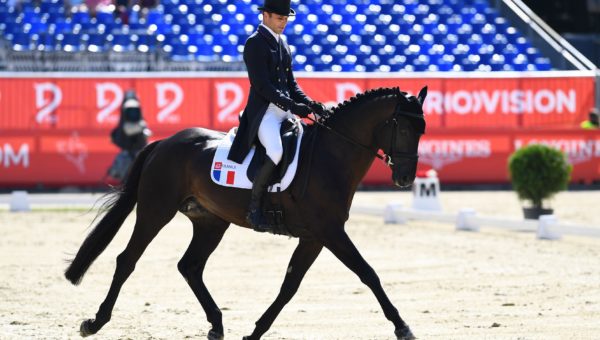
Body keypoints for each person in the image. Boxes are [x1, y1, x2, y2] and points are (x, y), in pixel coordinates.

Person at [227, 0, 329, 232]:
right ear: (266, 16)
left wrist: (309, 103)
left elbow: (291, 84)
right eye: (279, 18)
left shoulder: (283, 43)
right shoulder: (255, 44)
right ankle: (254, 208)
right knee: (275, 151)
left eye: (286, 19)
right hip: (264, 113)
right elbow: (262, 86)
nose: (284, 23)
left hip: (284, 110)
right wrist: (294, 106)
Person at [108, 90, 152, 181]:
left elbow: (143, 129)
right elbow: (125, 130)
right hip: (127, 150)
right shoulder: (125, 118)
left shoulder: (139, 119)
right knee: (125, 172)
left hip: (138, 149)